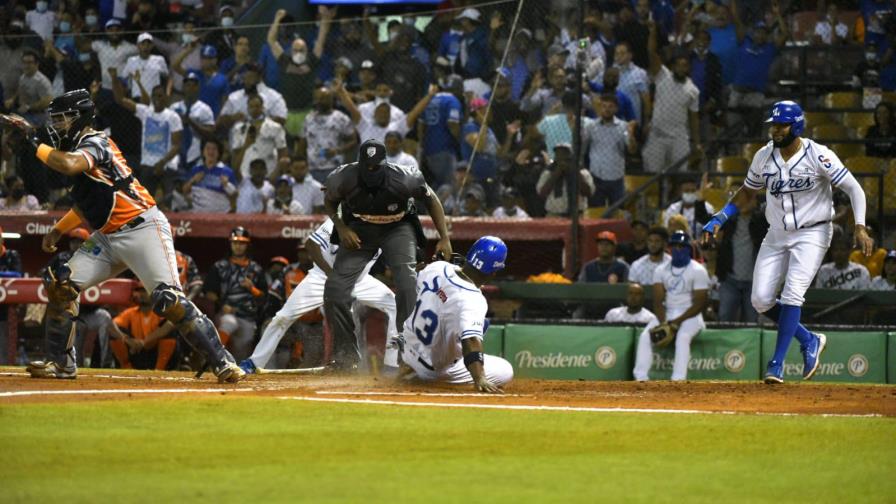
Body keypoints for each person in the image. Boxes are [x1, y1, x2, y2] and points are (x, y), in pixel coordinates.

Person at [17, 89, 242, 382]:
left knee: (168, 300)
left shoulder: (95, 141)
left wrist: (35, 142)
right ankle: (61, 363)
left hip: (143, 228)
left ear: (80, 117)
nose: (57, 125)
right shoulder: (75, 150)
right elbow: (89, 201)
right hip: (108, 237)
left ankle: (222, 361)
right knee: (61, 283)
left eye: (62, 119)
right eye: (55, 120)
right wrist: (59, 228)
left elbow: (69, 164)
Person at [702, 100, 872, 384]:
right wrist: (721, 216)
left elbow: (854, 188)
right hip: (777, 233)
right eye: (774, 125)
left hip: (813, 232)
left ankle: (776, 364)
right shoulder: (763, 156)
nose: (776, 130)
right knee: (760, 300)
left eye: (782, 125)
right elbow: (747, 192)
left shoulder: (819, 155)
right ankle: (809, 339)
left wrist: (860, 226)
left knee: (793, 293)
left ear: (797, 125)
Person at [323, 139, 452, 369]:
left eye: (376, 167)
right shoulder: (342, 177)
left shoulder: (405, 177)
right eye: (367, 167)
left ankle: (410, 355)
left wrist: (444, 237)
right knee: (334, 290)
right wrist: (342, 228)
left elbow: (431, 199)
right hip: (359, 228)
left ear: (385, 163)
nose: (371, 171)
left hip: (397, 227)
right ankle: (345, 358)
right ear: (359, 163)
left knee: (407, 282)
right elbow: (330, 201)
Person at [239, 218, 400, 373]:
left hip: (359, 280)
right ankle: (254, 362)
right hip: (322, 277)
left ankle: (392, 366)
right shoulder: (342, 218)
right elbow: (311, 244)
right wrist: (332, 275)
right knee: (283, 317)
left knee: (395, 305)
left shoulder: (383, 228)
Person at [398, 236, 513, 393]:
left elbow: (416, 280)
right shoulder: (474, 300)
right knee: (506, 369)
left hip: (405, 351)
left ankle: (407, 368)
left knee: (468, 320)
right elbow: (471, 340)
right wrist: (480, 378)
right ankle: (428, 379)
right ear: (493, 272)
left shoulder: (437, 267)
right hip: (432, 369)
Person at [633, 231, 709, 381]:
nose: (677, 249)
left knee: (683, 337)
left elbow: (700, 303)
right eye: (674, 246)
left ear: (688, 249)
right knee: (645, 336)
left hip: (691, 315)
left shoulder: (698, 270)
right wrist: (664, 323)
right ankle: (640, 378)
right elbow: (657, 301)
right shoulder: (661, 269)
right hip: (668, 312)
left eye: (681, 246)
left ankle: (678, 379)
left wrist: (676, 323)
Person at [643, 21, 701, 174]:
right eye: (678, 65)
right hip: (657, 134)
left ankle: (675, 198)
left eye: (685, 65)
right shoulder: (663, 76)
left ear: (688, 68)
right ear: (673, 66)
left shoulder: (692, 90)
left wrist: (696, 142)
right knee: (652, 174)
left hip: (679, 137)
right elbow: (651, 53)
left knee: (681, 175)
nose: (681, 68)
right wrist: (653, 33)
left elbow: (694, 118)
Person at [111, 79, 182, 199]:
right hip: (147, 165)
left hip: (167, 165)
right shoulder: (145, 112)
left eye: (160, 95)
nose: (157, 98)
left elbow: (176, 145)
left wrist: (163, 162)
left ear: (166, 97)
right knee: (145, 203)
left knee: (169, 201)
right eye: (154, 95)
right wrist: (114, 78)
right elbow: (120, 100)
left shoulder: (173, 117)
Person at [203, 227, 266, 362]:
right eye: (235, 242)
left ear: (247, 245)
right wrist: (222, 304)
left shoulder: (256, 269)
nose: (238, 246)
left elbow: (264, 297)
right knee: (229, 323)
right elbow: (208, 292)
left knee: (241, 353)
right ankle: (214, 358)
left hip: (248, 316)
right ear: (230, 244)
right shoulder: (220, 266)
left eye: (242, 243)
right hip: (226, 313)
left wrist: (252, 288)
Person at [716, 184, 767, 323]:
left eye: (747, 199)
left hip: (753, 282)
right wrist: (700, 199)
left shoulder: (761, 221)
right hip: (730, 280)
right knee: (724, 317)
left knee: (751, 320)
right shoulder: (729, 220)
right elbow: (704, 218)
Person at [107, 282, 177, 370]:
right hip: (136, 351)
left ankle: (159, 369)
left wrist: (144, 342)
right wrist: (128, 340)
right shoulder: (130, 312)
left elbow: (170, 325)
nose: (141, 294)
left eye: (145, 291)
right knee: (116, 333)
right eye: (139, 291)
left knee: (171, 333)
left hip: (154, 352)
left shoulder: (161, 311)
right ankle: (126, 367)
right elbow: (111, 326)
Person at [585, 93, 638, 206]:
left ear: (616, 108)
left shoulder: (623, 126)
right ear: (600, 108)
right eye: (604, 106)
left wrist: (631, 135)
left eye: (610, 107)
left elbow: (632, 150)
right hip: (596, 176)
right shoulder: (591, 126)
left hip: (616, 177)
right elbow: (583, 145)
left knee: (617, 212)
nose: (607, 110)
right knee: (596, 212)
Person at [298, 87, 356, 183]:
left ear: (331, 100)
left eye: (323, 98)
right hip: (312, 168)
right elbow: (302, 144)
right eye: (318, 98)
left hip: (334, 167)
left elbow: (353, 140)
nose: (320, 101)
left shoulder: (341, 118)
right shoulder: (308, 119)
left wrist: (338, 150)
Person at [229, 94, 289, 177]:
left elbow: (282, 152)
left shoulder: (275, 127)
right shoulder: (239, 128)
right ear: (247, 109)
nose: (254, 109)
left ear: (262, 107)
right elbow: (235, 153)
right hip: (246, 173)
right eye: (251, 107)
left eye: (257, 106)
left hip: (269, 172)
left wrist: (278, 173)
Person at [169, 71, 215, 171]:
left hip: (196, 155)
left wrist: (191, 122)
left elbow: (210, 133)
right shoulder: (174, 107)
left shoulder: (205, 109)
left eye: (193, 85)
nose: (190, 88)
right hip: (175, 154)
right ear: (183, 87)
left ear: (198, 87)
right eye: (187, 85)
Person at [536, 144, 595, 217]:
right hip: (554, 214)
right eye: (559, 156)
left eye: (565, 157)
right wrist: (556, 173)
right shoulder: (548, 172)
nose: (562, 160)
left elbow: (588, 193)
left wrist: (574, 173)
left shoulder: (582, 171)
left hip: (578, 214)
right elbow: (542, 193)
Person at [183, 139, 237, 213]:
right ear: (203, 151)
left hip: (220, 215)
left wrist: (227, 185)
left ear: (219, 153)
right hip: (198, 215)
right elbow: (185, 191)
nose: (211, 152)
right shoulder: (195, 169)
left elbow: (235, 195)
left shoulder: (227, 171)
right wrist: (193, 180)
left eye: (214, 149)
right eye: (208, 148)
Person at [4, 51, 53, 126]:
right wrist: (12, 99)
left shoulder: (42, 81)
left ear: (37, 64)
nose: (26, 65)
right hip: (25, 114)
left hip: (40, 118)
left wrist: (29, 107)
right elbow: (20, 90)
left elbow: (48, 101)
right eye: (24, 62)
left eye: (29, 62)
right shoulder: (23, 77)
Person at [0, 227, 24, 365]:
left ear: (2, 239)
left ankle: (3, 369)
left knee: (4, 342)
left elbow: (18, 274)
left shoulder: (11, 255)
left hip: (6, 308)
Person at [121, 33, 168, 101]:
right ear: (138, 45)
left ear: (152, 45)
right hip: (137, 97)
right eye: (143, 44)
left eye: (148, 44)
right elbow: (124, 77)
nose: (146, 46)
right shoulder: (131, 60)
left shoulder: (159, 59)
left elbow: (166, 76)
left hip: (154, 97)